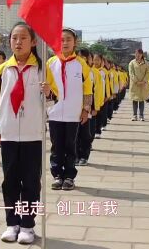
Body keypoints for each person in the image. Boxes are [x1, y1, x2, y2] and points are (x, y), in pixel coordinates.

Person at [0, 23, 48, 245]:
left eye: (23, 38)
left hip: (33, 135)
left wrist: (49, 93)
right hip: (9, 133)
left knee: (31, 182)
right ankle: (12, 223)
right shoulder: (3, 69)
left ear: (33, 42)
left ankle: (28, 225)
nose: (18, 42)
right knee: (10, 181)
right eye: (14, 38)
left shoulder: (42, 68)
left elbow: (53, 103)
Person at [46, 28, 92, 191]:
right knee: (56, 145)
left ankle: (70, 176)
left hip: (74, 113)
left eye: (68, 40)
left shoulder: (81, 64)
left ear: (75, 42)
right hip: (55, 113)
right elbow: (47, 89)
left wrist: (86, 109)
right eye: (61, 40)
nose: (64, 43)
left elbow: (88, 88)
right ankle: (57, 175)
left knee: (70, 145)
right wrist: (46, 108)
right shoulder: (50, 63)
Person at [77, 48, 103, 166]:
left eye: (85, 57)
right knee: (75, 134)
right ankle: (76, 156)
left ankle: (84, 156)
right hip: (74, 108)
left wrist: (95, 107)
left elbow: (98, 91)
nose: (82, 59)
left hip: (88, 108)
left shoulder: (94, 73)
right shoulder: (75, 69)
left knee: (86, 134)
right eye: (80, 57)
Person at [128, 49, 149, 121]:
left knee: (141, 100)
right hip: (135, 85)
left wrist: (144, 81)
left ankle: (141, 115)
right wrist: (136, 81)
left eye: (139, 54)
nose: (137, 56)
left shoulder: (146, 63)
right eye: (136, 54)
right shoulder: (132, 63)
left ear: (142, 55)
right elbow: (131, 73)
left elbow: (148, 72)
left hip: (143, 85)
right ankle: (134, 115)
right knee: (134, 100)